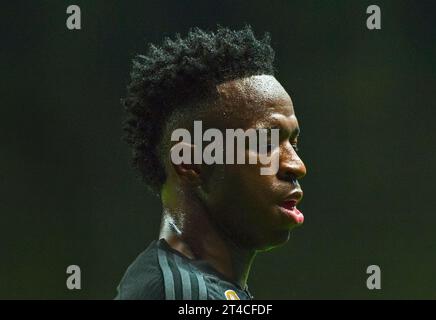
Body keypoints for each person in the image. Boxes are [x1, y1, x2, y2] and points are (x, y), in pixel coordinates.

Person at [116, 26, 307, 300]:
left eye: (293, 143)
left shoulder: (205, 290)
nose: (296, 166)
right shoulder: (180, 293)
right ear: (192, 162)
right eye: (266, 144)